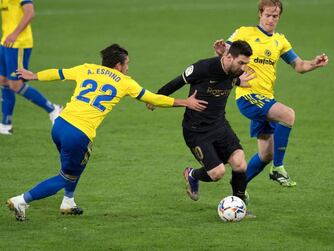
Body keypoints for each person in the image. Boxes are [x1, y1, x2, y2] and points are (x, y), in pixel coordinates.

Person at [6, 44, 207, 221]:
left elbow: (59, 73)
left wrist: (34, 75)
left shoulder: (87, 69)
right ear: (118, 65)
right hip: (78, 134)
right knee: (65, 176)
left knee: (78, 162)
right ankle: (22, 200)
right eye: (127, 63)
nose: (128, 67)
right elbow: (153, 99)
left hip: (59, 125)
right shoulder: (124, 81)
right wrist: (185, 102)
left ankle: (68, 202)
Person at [214, 0, 328, 187]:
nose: (271, 19)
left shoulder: (280, 41)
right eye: (267, 15)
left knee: (266, 154)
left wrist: (314, 63)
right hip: (248, 96)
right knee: (287, 115)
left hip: (266, 99)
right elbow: (226, 57)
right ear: (260, 14)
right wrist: (220, 52)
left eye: (275, 16)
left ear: (279, 17)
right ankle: (278, 169)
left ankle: (238, 187)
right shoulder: (244, 32)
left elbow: (299, 66)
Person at [151, 40, 254, 204]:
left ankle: (239, 204)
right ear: (228, 57)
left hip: (219, 125)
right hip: (196, 130)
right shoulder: (203, 68)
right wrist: (156, 98)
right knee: (217, 173)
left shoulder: (235, 69)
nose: (243, 68)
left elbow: (231, 78)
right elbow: (177, 81)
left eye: (245, 64)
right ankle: (192, 174)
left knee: (240, 162)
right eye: (241, 63)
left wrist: (241, 81)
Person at [0, 0, 62, 135]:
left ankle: (53, 109)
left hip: (18, 44)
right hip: (5, 42)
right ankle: (5, 124)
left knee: (16, 85)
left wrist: (14, 34)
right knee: (3, 80)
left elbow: (30, 13)